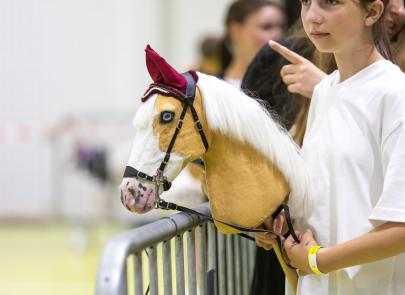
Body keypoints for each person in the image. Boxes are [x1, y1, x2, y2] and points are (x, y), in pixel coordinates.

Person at [256, 0, 405, 294]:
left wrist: (317, 260)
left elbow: (401, 227)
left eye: (330, 2)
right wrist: (283, 225)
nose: (312, 16)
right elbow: (329, 197)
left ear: (372, 12)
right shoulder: (325, 91)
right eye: (306, 2)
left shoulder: (394, 93)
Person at [218, 0, 287, 88]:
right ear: (235, 31)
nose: (278, 35)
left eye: (282, 27)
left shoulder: (288, 85)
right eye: (267, 27)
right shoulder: (207, 87)